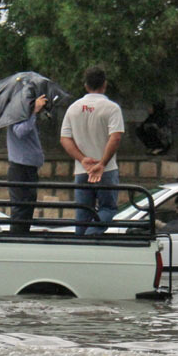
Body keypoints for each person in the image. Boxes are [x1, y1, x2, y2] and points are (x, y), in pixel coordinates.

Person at [60, 66, 124, 235]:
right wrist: (102, 163)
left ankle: (80, 244)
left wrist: (82, 159)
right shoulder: (112, 108)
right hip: (106, 170)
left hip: (82, 170)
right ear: (105, 84)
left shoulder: (74, 108)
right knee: (108, 209)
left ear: (86, 85)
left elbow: (65, 138)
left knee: (82, 213)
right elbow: (115, 137)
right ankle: (91, 234)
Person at [7, 94, 48, 234]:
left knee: (27, 207)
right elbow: (20, 131)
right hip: (20, 167)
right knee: (21, 208)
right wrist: (34, 112)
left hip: (29, 168)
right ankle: (17, 239)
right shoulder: (17, 113)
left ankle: (22, 234)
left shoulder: (26, 114)